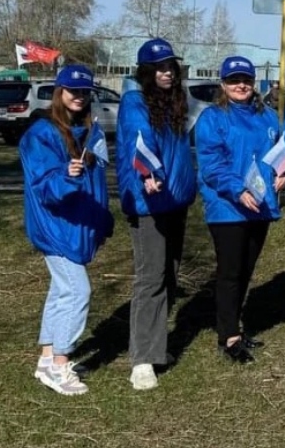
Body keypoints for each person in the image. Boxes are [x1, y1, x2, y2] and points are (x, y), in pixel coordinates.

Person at [22, 65, 113, 395]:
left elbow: (96, 184)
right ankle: (61, 364)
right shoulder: (41, 133)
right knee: (77, 291)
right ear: (59, 92)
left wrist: (102, 219)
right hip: (55, 228)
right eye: (73, 91)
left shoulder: (90, 130)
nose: (79, 97)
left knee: (62, 290)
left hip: (79, 225)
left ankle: (47, 359)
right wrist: (66, 175)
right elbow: (43, 186)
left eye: (85, 92)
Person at [117, 38, 197, 391]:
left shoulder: (176, 101)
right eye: (160, 68)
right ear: (146, 72)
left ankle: (156, 346)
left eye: (170, 67)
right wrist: (150, 174)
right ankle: (142, 360)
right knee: (150, 278)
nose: (167, 73)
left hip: (175, 200)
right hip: (149, 200)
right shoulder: (135, 102)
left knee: (169, 275)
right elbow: (141, 140)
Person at [196, 57, 285, 364]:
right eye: (234, 80)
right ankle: (228, 336)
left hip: (260, 206)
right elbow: (212, 165)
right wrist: (238, 190)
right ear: (223, 84)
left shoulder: (268, 116)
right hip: (228, 207)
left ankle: (235, 324)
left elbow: (280, 152)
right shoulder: (212, 118)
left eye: (246, 79)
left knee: (246, 269)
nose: (241, 85)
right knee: (230, 271)